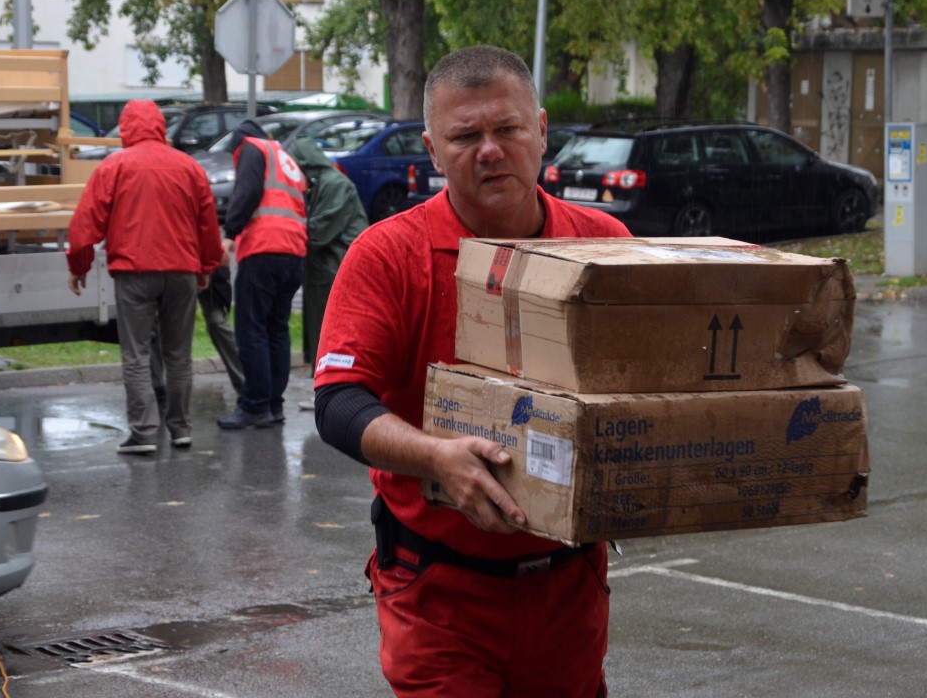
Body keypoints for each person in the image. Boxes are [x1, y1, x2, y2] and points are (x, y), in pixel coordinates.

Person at [312, 45, 632, 697]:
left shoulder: (604, 246)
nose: (490, 150)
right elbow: (338, 401)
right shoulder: (387, 255)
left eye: (508, 128)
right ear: (432, 150)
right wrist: (436, 457)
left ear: (541, 130)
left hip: (569, 591)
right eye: (465, 136)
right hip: (438, 593)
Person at [67, 99, 223, 454]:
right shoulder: (188, 166)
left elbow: (86, 223)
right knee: (178, 355)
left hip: (134, 271)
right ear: (160, 126)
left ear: (125, 128)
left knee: (136, 354)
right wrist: (205, 267)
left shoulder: (114, 166)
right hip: (181, 271)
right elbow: (207, 223)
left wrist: (79, 266)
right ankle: (180, 428)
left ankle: (143, 433)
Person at [217, 119, 308, 430]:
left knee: (252, 328)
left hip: (263, 248)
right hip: (292, 251)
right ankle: (273, 404)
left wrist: (230, 233)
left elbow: (248, 191)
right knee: (276, 328)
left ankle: (255, 405)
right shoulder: (284, 157)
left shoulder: (251, 148)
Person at [286, 136, 368, 372]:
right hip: (326, 267)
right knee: (320, 328)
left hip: (337, 267)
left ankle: (330, 378)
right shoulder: (322, 183)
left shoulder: (335, 184)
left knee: (332, 334)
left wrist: (287, 229)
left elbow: (320, 231)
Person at [150, 264, 246, 403]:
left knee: (217, 323)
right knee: (156, 322)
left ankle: (246, 385)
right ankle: (158, 388)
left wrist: (211, 263)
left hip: (205, 263)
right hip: (169, 264)